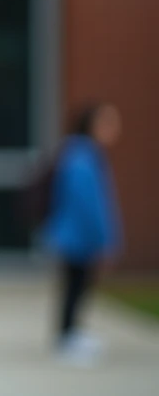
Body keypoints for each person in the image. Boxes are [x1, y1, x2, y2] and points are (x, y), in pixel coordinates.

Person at [44, 101, 124, 367]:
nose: (114, 129)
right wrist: (105, 239)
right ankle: (68, 337)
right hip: (76, 236)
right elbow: (90, 204)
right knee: (75, 287)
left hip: (74, 234)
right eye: (107, 123)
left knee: (77, 287)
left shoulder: (81, 154)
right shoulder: (82, 156)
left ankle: (71, 334)